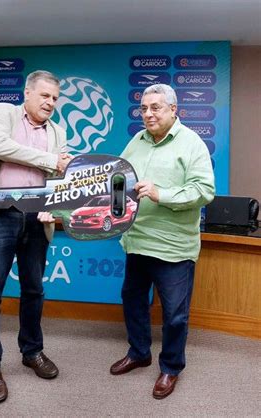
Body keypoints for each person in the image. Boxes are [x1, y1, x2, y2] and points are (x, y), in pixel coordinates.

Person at [0, 70, 71, 403]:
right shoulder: (2, 112)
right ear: (28, 93)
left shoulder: (58, 131)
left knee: (34, 290)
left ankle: (32, 351)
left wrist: (55, 205)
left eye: (55, 98)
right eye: (45, 96)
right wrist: (51, 160)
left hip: (37, 219)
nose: (50, 103)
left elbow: (57, 179)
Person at [110, 83, 215, 399]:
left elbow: (204, 191)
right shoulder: (136, 142)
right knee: (133, 301)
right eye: (144, 108)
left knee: (175, 314)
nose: (148, 113)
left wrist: (161, 194)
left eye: (156, 107)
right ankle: (139, 352)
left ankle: (170, 368)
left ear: (174, 110)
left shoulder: (191, 143)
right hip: (137, 241)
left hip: (173, 247)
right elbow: (119, 179)